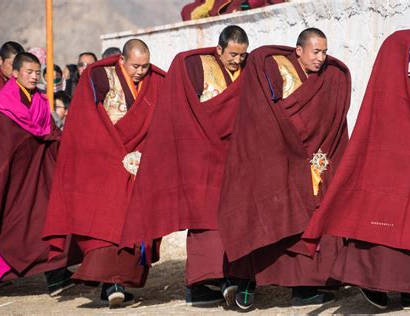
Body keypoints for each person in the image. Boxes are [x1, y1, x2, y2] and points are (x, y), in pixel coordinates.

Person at [302, 6, 410, 311]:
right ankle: (372, 282)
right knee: (385, 212)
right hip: (400, 146)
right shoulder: (408, 50)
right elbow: (392, 100)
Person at [216, 28, 351, 310]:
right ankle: (246, 284)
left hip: (311, 162)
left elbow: (332, 122)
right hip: (276, 156)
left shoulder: (329, 79)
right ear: (299, 50)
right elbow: (263, 114)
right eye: (316, 52)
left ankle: (304, 288)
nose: (321, 58)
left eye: (325, 52)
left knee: (307, 224)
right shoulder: (276, 69)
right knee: (263, 216)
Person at [120, 25, 249, 306]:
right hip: (203, 155)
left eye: (242, 55)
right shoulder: (197, 66)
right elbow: (183, 108)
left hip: (234, 156)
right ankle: (201, 285)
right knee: (204, 218)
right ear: (219, 50)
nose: (237, 60)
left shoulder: (247, 71)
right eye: (233, 54)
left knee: (233, 216)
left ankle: (227, 278)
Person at [43, 39, 166, 308]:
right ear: (122, 60)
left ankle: (118, 281)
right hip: (105, 159)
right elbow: (87, 121)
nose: (140, 71)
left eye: (145, 66)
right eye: (135, 66)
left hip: (139, 163)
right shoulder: (99, 77)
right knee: (107, 221)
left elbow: (162, 121)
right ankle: (112, 283)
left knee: (134, 222)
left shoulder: (155, 81)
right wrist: (113, 154)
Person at [0, 52, 77, 296]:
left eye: (36, 72)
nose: (33, 77)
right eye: (28, 72)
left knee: (49, 220)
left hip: (40, 176)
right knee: (15, 228)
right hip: (14, 181)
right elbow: (5, 143)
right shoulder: (3, 103)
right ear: (14, 73)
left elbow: (52, 133)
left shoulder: (41, 101)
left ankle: (56, 275)